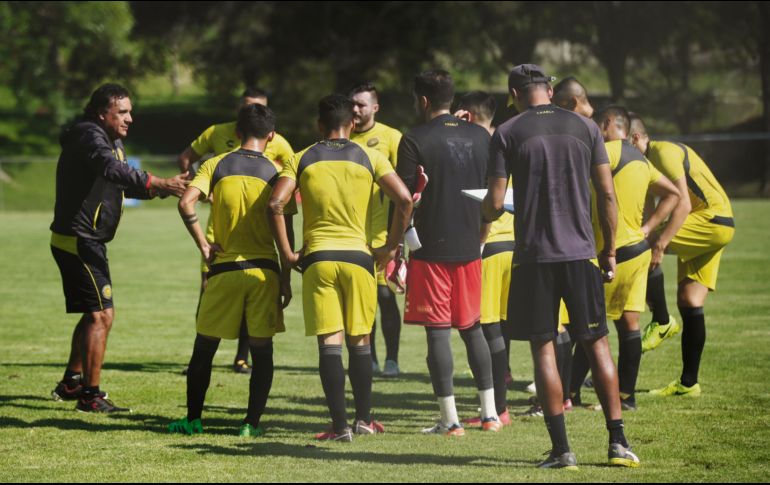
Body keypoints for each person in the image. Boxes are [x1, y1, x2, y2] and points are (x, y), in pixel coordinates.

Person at [482, 64, 639, 468]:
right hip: (582, 253)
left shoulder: (506, 132)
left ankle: (562, 450)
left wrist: (482, 210)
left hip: (534, 258)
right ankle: (618, 443)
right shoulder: (586, 128)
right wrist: (608, 251)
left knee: (545, 349)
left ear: (514, 95)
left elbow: (495, 203)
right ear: (549, 91)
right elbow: (607, 195)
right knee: (597, 343)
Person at [268, 94, 413, 442]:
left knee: (329, 344)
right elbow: (406, 199)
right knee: (360, 341)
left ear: (319, 125)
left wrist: (288, 254)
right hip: (359, 259)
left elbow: (275, 203)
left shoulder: (301, 157)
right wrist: (390, 247)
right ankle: (364, 420)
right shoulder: (370, 156)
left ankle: (339, 427)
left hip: (318, 259)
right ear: (353, 123)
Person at [50, 83, 188, 412]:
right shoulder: (89, 136)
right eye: (122, 112)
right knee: (102, 316)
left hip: (88, 239)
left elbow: (118, 183)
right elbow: (111, 169)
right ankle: (90, 397)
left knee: (93, 312)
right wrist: (157, 181)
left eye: (130, 111)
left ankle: (71, 382)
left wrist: (162, 189)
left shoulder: (110, 140)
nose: (130, 119)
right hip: (78, 239)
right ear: (102, 114)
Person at [168, 103, 293, 437]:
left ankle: (193, 420)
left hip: (223, 270)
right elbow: (285, 227)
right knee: (262, 352)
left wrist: (203, 244)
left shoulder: (216, 164)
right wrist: (286, 278)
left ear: (237, 132)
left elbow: (185, 202)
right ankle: (250, 425)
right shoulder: (278, 173)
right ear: (272, 136)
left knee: (204, 348)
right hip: (265, 271)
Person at [398, 70, 500, 436]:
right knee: (473, 329)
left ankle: (451, 421)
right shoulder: (481, 135)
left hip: (430, 248)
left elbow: (404, 199)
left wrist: (396, 244)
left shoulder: (414, 138)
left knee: (438, 333)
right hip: (470, 246)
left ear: (424, 100)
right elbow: (493, 190)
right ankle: (490, 415)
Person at [569, 106, 680, 411]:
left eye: (596, 126)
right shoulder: (642, 161)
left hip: (611, 254)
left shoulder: (607, 152)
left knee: (588, 327)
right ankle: (626, 397)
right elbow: (673, 194)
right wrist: (647, 228)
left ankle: (569, 393)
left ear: (607, 124)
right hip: (638, 251)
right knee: (629, 325)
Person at [628, 115, 735, 397]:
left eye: (623, 142)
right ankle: (689, 384)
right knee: (690, 301)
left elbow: (683, 204)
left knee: (640, 245)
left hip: (711, 220)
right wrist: (646, 231)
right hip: (713, 223)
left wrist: (659, 244)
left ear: (635, 138)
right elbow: (650, 213)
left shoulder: (663, 152)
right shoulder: (644, 165)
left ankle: (662, 321)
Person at [453, 91, 512, 427]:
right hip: (515, 244)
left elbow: (486, 203)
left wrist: (476, 245)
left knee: (486, 330)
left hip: (488, 248)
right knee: (501, 328)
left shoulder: (477, 148)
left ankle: (497, 410)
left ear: (468, 115)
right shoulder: (509, 142)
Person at [349, 82, 404, 377]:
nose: (355, 109)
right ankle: (368, 358)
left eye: (361, 104)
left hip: (383, 235)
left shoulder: (391, 137)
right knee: (362, 298)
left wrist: (400, 235)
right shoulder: (342, 137)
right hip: (352, 234)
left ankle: (392, 359)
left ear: (375, 107)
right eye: (352, 104)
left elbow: (405, 188)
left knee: (385, 296)